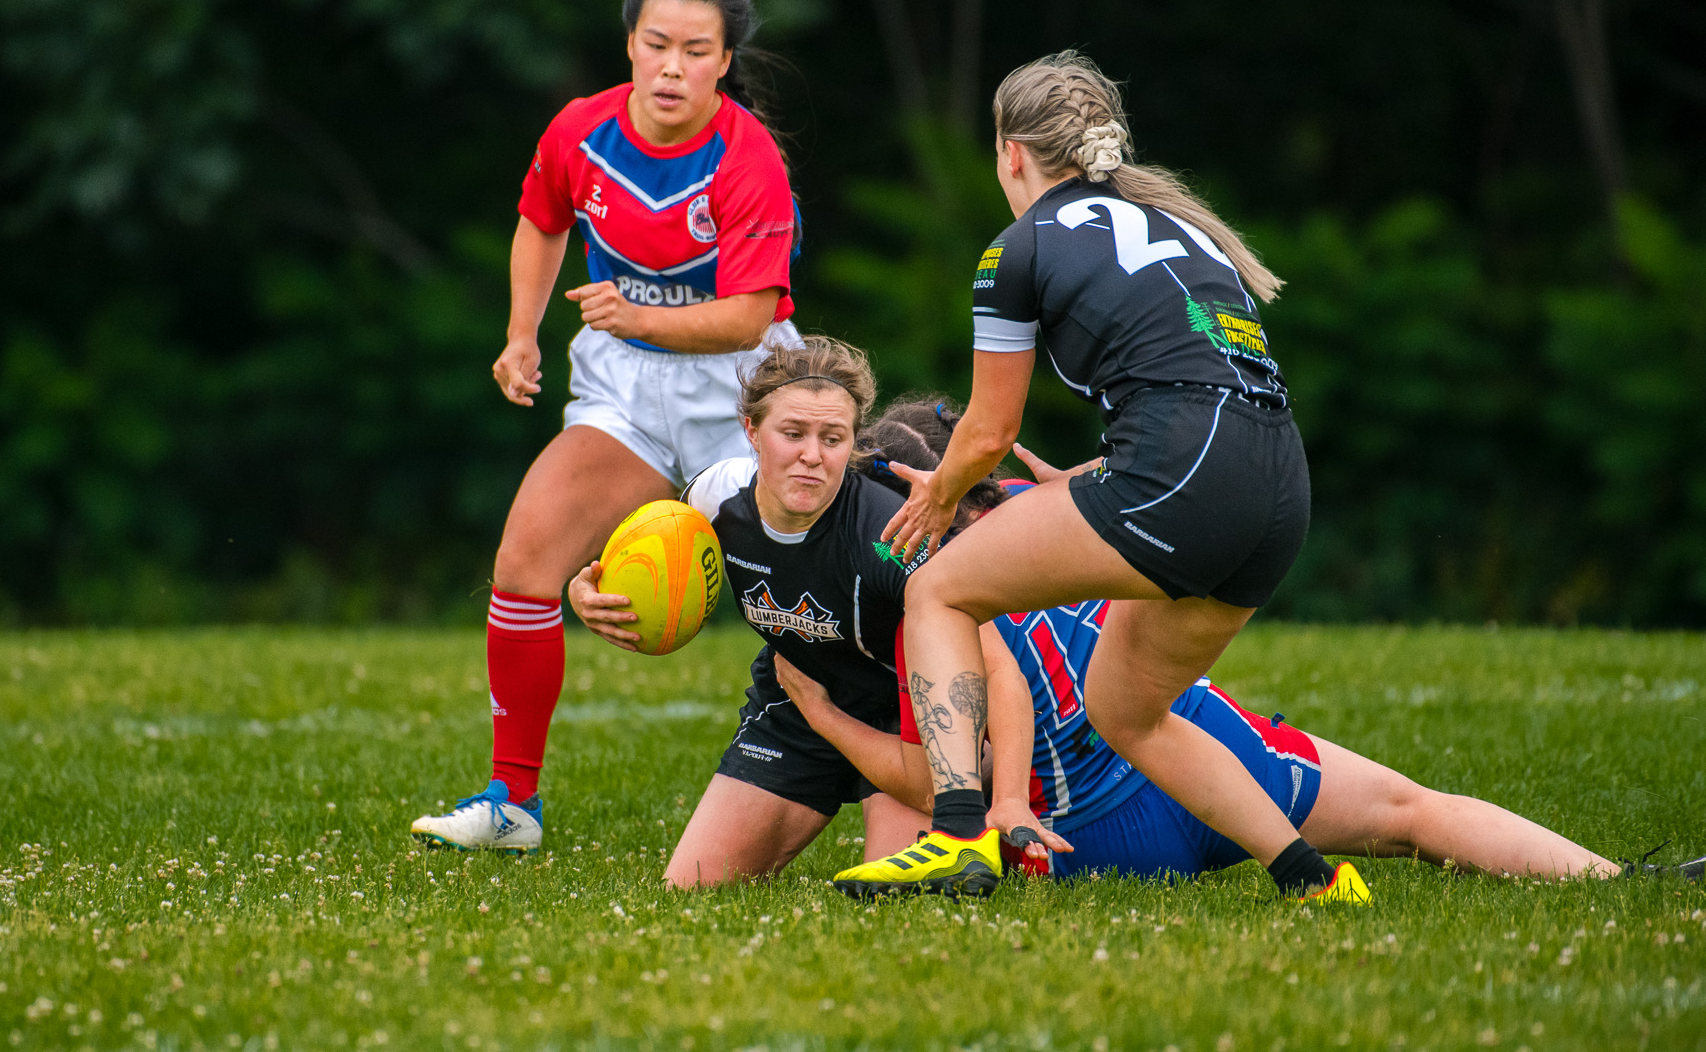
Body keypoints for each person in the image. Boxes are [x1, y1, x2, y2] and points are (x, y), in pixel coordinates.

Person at [834, 50, 1362, 901]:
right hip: (1277, 488)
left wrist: (937, 494)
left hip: (1184, 478)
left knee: (938, 591)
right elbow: (1206, 385)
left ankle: (960, 835)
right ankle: (1311, 877)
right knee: (1125, 712)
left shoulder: (1016, 248)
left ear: (1010, 153)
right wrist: (1104, 474)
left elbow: (988, 431)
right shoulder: (1183, 226)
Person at [771, 414, 1639, 888]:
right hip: (1217, 755)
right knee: (1413, 813)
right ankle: (1624, 881)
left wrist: (822, 715)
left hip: (1106, 832)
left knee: (910, 832)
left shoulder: (935, 611)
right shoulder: (1067, 529)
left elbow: (936, 782)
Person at [411, 0, 803, 853]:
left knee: (810, 596)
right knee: (524, 563)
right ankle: (513, 806)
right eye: (656, 43)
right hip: (622, 387)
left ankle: (921, 784)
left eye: (695, 50)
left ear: (723, 62)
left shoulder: (749, 158)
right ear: (629, 44)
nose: (671, 66)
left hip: (741, 398)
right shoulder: (580, 132)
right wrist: (521, 334)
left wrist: (643, 316)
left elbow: (749, 317)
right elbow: (543, 220)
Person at [567, 340, 1005, 888]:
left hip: (905, 714)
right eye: (792, 434)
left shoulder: (892, 535)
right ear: (752, 431)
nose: (813, 455)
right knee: (692, 885)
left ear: (852, 441)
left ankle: (986, 796)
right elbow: (656, 566)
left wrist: (1006, 793)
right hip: (794, 697)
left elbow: (993, 668)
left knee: (905, 899)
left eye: (833, 438)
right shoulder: (712, 498)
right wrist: (592, 595)